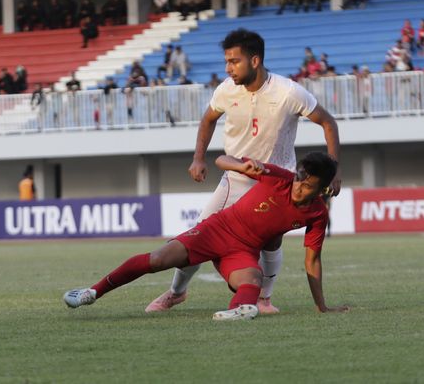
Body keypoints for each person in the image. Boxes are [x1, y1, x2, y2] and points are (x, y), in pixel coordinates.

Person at [144, 28, 341, 315]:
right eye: (227, 61)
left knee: (272, 242)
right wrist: (199, 158)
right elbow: (208, 119)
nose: (228, 68)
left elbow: (328, 122)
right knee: (197, 235)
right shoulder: (226, 89)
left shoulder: (288, 92)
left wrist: (332, 170)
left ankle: (264, 299)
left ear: (255, 60)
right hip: (236, 179)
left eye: (234, 61)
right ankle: (176, 292)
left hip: (279, 182)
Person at [64, 153, 349, 320]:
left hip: (243, 251)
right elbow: (221, 159)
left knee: (252, 279)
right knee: (159, 258)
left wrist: (321, 306)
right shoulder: (279, 176)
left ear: (321, 189)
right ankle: (92, 292)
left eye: (306, 185)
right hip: (214, 230)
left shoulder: (317, 215)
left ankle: (239, 311)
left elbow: (312, 261)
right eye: (298, 178)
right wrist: (241, 167)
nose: (298, 186)